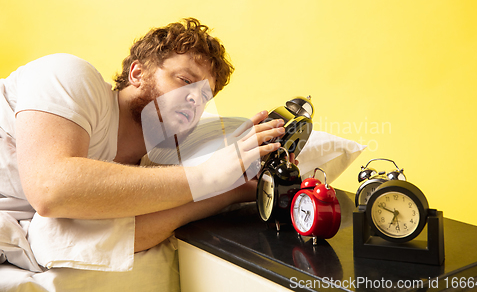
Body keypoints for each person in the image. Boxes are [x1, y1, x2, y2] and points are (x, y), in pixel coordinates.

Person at [0, 17, 285, 266]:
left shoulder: (155, 167)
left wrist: (232, 189)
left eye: (205, 96)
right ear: (137, 73)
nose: (195, 98)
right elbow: (51, 189)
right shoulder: (70, 76)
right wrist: (208, 175)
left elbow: (120, 237)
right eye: (185, 80)